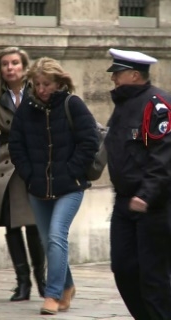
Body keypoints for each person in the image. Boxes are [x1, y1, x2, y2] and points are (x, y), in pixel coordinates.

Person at [9, 57, 98, 315]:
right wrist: (29, 174)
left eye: (46, 84)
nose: (41, 89)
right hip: (37, 187)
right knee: (49, 240)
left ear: (58, 83)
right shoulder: (26, 109)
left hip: (70, 187)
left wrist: (70, 171)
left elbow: (89, 141)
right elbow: (17, 145)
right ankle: (67, 286)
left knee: (57, 235)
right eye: (36, 84)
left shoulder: (73, 104)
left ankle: (52, 294)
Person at [104, 48, 171, 320]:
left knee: (153, 278)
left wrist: (146, 194)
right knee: (123, 269)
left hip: (153, 206)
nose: (113, 80)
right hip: (124, 203)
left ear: (134, 75)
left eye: (117, 74)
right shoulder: (122, 106)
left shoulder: (157, 104)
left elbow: (164, 154)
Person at [0, 47, 46, 301]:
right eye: (5, 64)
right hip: (6, 164)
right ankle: (22, 283)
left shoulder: (39, 90)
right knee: (10, 224)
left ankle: (41, 280)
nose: (10, 68)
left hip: (35, 162)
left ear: (24, 67)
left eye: (15, 63)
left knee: (34, 224)